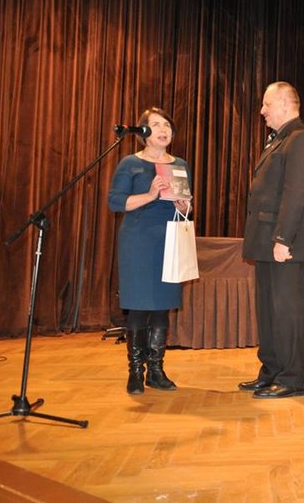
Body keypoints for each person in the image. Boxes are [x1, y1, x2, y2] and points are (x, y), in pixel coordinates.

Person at [238, 81, 304, 399]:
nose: (262, 111)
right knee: (269, 312)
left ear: (285, 104)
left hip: (284, 244)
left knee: (288, 312)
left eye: (267, 104)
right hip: (266, 242)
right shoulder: (280, 139)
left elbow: (297, 194)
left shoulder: (301, 139)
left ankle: (292, 379)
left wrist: (283, 238)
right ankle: (271, 371)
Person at [108, 107, 192, 395]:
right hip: (138, 241)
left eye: (167, 124)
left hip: (168, 240)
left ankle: (156, 370)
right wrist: (150, 195)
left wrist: (184, 205)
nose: (163, 129)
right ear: (143, 133)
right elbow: (115, 202)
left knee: (162, 306)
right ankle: (135, 371)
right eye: (156, 124)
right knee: (140, 305)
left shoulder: (179, 164)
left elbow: (185, 206)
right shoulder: (130, 163)